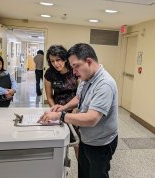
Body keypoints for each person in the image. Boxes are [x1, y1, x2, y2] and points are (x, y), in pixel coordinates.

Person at [39, 43, 118, 178]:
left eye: (75, 66)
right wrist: (63, 107)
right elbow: (78, 97)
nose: (73, 72)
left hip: (100, 142)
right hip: (86, 138)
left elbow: (92, 118)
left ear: (89, 61)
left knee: (96, 174)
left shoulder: (104, 84)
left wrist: (60, 115)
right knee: (84, 172)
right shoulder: (87, 78)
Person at [44, 45, 79, 157]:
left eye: (58, 60)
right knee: (60, 141)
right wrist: (55, 112)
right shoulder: (50, 73)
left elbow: (80, 94)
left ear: (64, 58)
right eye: (52, 61)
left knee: (77, 142)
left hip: (74, 108)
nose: (56, 64)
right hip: (57, 109)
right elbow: (49, 96)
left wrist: (74, 112)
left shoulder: (74, 71)